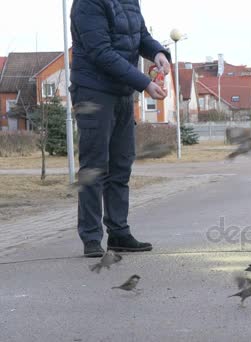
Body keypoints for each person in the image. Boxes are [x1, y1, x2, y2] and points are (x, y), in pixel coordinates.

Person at [70, 0, 171, 257]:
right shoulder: (88, 3)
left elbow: (141, 36)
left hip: (122, 93)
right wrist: (145, 83)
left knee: (121, 164)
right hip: (93, 92)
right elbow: (100, 52)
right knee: (94, 166)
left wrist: (158, 53)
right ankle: (92, 237)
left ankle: (119, 233)